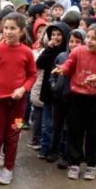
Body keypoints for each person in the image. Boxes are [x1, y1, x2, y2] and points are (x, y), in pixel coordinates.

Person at [53, 24, 96, 181]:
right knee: (75, 131)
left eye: (94, 38)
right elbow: (69, 65)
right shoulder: (78, 51)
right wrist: (63, 69)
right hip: (77, 97)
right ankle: (74, 163)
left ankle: (91, 164)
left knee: (95, 133)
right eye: (88, 37)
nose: (89, 41)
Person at [0, 12, 37, 185]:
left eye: (13, 28)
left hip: (18, 104)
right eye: (6, 28)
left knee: (13, 135)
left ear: (21, 31)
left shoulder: (27, 52)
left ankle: (8, 169)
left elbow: (32, 75)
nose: (8, 31)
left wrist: (23, 89)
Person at [49, 28, 86, 168]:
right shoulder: (61, 56)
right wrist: (53, 85)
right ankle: (54, 152)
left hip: (75, 99)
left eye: (78, 42)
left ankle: (67, 156)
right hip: (59, 97)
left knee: (70, 129)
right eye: (71, 41)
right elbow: (53, 73)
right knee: (56, 126)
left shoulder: (85, 58)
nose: (74, 44)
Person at [36, 22, 70, 159]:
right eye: (53, 34)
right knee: (47, 124)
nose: (55, 37)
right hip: (48, 93)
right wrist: (49, 49)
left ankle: (59, 149)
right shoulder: (48, 50)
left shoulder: (67, 53)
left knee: (60, 125)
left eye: (59, 34)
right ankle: (45, 148)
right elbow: (39, 64)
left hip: (62, 94)